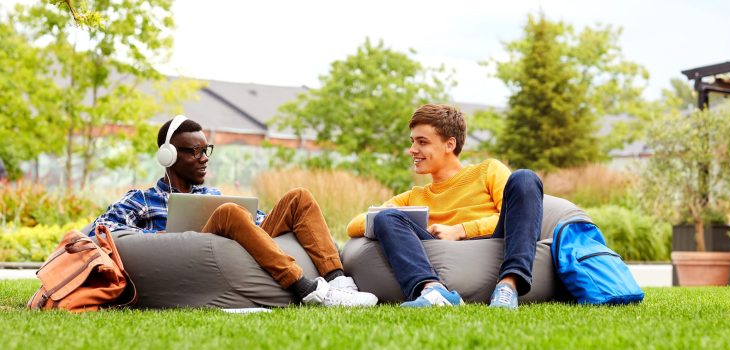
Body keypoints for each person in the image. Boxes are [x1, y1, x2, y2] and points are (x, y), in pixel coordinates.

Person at [91, 115, 377, 307]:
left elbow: (260, 226)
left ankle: (340, 284)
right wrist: (156, 237)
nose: (204, 159)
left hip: (232, 250)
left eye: (207, 150)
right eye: (194, 152)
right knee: (229, 211)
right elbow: (100, 231)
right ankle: (306, 289)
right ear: (169, 156)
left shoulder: (212, 195)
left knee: (298, 197)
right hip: (187, 258)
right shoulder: (142, 199)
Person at [346, 104, 543, 309]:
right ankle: (434, 290)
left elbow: (518, 217)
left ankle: (507, 286)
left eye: (422, 142)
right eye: (412, 141)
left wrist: (460, 230)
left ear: (449, 145)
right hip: (436, 248)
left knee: (525, 178)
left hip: (493, 240)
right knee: (385, 217)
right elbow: (354, 225)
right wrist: (417, 225)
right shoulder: (415, 196)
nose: (412, 150)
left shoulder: (488, 171)